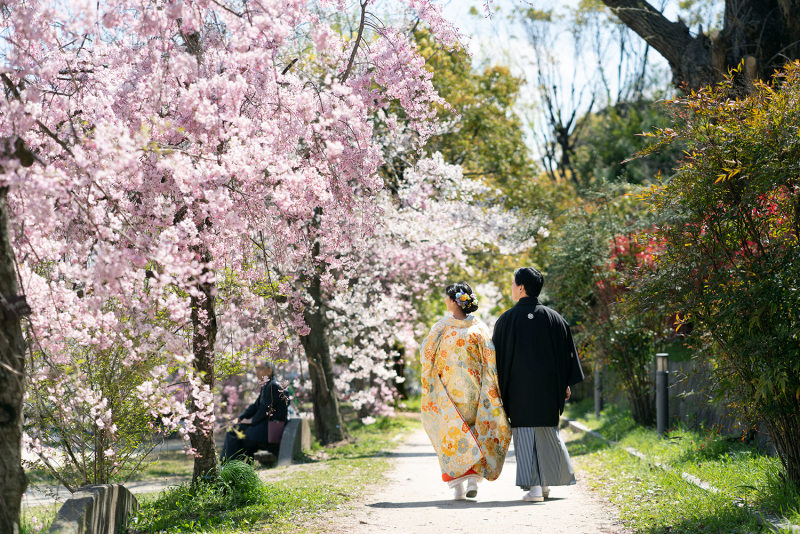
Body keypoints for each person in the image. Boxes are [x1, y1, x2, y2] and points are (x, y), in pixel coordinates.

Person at [492, 267, 585, 502]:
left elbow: (496, 360)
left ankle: (534, 488)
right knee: (546, 432)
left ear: (521, 287)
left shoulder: (506, 320)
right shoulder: (555, 318)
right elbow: (568, 356)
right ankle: (543, 485)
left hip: (517, 390)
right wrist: (565, 383)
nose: (512, 287)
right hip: (548, 389)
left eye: (513, 283)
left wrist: (497, 390)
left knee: (524, 434)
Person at [420, 282, 512, 500]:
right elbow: (490, 360)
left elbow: (426, 356)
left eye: (446, 297)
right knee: (475, 432)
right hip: (475, 390)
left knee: (450, 434)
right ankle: (473, 481)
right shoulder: (480, 328)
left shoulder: (441, 328)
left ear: (453, 301)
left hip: (447, 392)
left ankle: (457, 488)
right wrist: (490, 387)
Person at [220, 361, 289, 462]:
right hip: (264, 425)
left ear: (269, 371)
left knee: (235, 431)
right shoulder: (268, 385)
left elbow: (264, 411)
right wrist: (239, 418)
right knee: (237, 431)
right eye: (256, 368)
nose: (257, 371)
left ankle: (227, 464)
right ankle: (234, 464)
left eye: (260, 368)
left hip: (270, 427)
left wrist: (251, 421)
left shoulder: (273, 386)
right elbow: (255, 406)